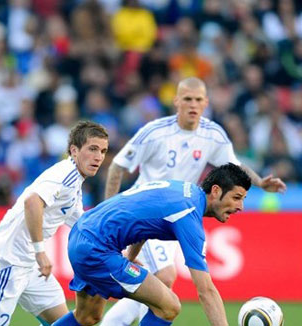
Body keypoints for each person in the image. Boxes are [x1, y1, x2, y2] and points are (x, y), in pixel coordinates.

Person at [101, 77, 286, 325]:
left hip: (178, 215)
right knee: (164, 278)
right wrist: (109, 212)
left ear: (206, 103)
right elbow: (117, 166)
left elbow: (235, 166)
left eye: (198, 100)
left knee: (158, 282)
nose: (193, 104)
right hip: (147, 213)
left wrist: (261, 182)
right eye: (187, 99)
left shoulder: (212, 134)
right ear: (176, 101)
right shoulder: (155, 132)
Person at [53, 163, 251, 326]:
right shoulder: (188, 213)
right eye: (236, 198)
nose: (240, 207)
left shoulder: (182, 191)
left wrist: (129, 257)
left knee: (87, 317)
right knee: (169, 306)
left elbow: (143, 219)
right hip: (97, 249)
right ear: (216, 191)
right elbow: (205, 290)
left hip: (81, 235)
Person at [0, 121, 109, 326]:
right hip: (9, 261)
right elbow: (32, 202)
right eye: (93, 149)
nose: (98, 157)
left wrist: (119, 254)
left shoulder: (75, 182)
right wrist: (40, 251)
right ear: (74, 150)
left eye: (103, 151)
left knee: (66, 321)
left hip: (31, 267)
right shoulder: (66, 176)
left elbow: (83, 224)